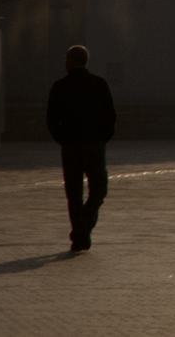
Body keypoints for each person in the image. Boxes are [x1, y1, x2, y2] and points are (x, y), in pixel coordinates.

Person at [46, 45, 118, 251]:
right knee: (98, 189)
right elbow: (110, 116)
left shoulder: (60, 86)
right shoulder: (98, 84)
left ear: (71, 61)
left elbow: (52, 119)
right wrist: (103, 137)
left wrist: (62, 138)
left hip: (70, 146)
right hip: (94, 145)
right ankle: (83, 228)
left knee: (74, 192)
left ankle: (80, 232)